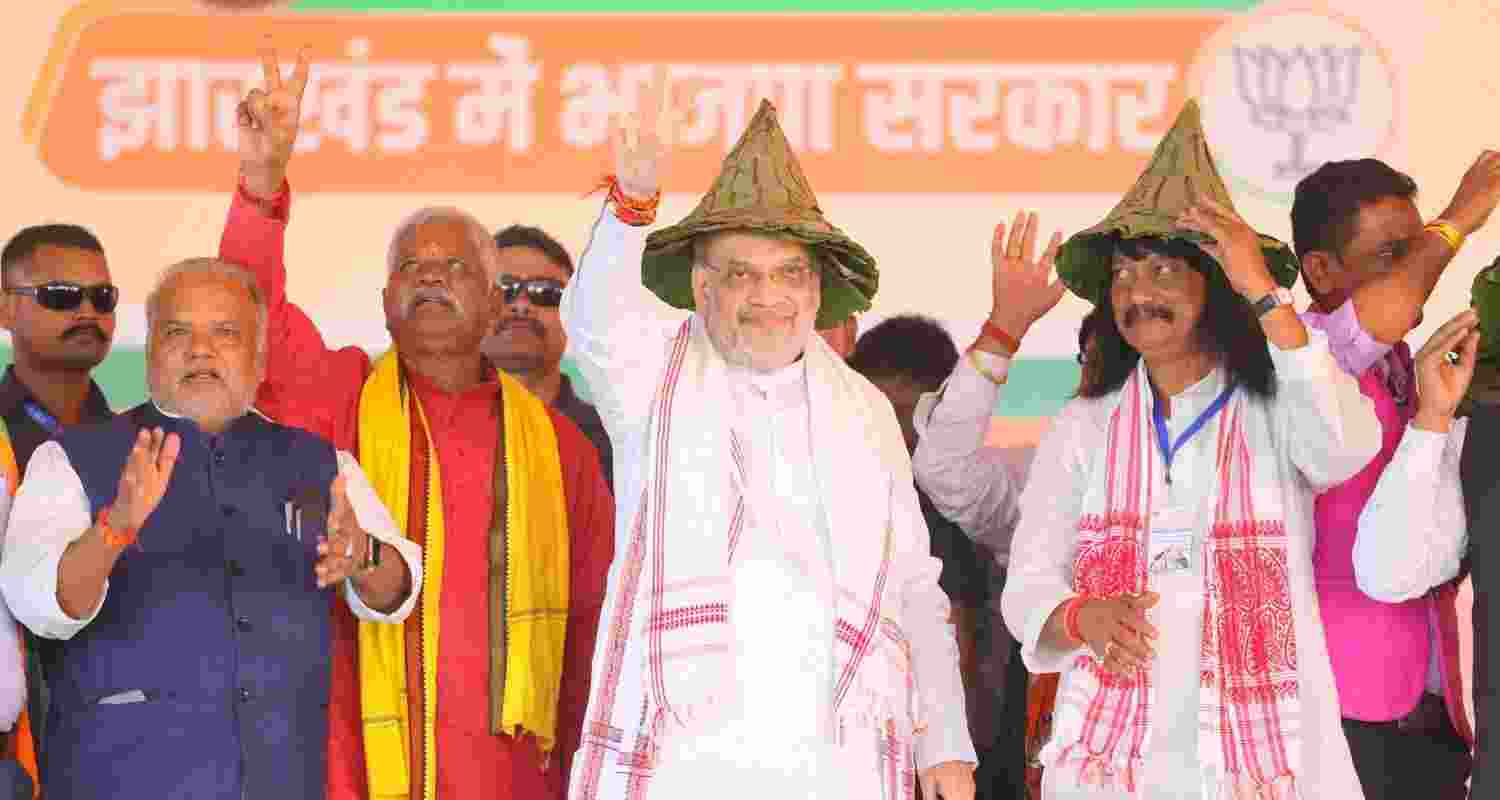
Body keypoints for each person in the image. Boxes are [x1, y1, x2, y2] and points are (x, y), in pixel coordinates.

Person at [223, 47, 615, 800]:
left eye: (457, 266)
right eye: (412, 266)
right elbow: (250, 314)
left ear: (498, 307)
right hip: (352, 765)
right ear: (384, 302)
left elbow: (591, 629)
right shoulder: (334, 391)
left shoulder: (560, 446)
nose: (431, 275)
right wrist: (261, 185)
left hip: (513, 773)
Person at [564, 90, 975, 800]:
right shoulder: (649, 375)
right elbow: (595, 318)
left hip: (830, 759)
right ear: (701, 286)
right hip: (683, 759)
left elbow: (911, 584)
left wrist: (944, 742)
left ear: (818, 291)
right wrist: (631, 204)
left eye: (789, 274)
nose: (768, 296)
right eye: (741, 274)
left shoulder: (866, 410)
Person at [1002, 100, 1382, 798]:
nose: (1137, 293)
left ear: (1218, 286)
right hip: (1116, 764)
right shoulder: (1085, 425)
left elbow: (1345, 448)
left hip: (1266, 765)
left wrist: (1264, 292)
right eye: (1123, 273)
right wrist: (1081, 616)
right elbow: (1027, 583)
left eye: (1163, 273)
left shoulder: (1277, 403)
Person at [0, 258, 421, 799]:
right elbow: (37, 605)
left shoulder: (322, 465)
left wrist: (363, 553)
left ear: (261, 356)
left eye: (225, 332)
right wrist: (114, 530)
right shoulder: (71, 457)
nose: (201, 350)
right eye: (179, 331)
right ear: (150, 351)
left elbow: (399, 591)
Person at [1292, 156, 1500, 800]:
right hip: (1346, 705)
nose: (1420, 270)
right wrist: (1462, 215)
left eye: (1422, 251)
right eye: (1393, 254)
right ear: (1319, 270)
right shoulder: (1306, 353)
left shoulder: (1409, 361)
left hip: (1438, 694)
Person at [851, 312, 1025, 800]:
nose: (899, 452)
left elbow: (977, 676)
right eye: (881, 427)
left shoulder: (980, 516)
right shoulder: (834, 511)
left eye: (912, 432)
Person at [0, 224, 118, 779]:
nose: (88, 312)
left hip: (114, 749)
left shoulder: (140, 447)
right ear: (5, 308)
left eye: (103, 297)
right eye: (61, 297)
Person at [483, 224, 614, 490]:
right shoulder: (421, 434)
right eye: (504, 290)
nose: (522, 305)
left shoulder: (616, 442)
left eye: (547, 293)